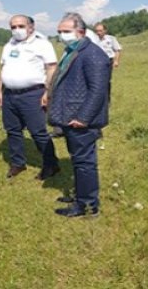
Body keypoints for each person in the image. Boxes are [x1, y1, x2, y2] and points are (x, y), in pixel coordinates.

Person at [47, 12, 111, 217]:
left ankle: (88, 206)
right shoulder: (73, 51)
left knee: (85, 163)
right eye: (59, 31)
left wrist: (83, 117)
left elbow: (98, 90)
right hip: (71, 117)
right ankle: (80, 195)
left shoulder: (93, 54)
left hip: (81, 120)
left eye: (66, 31)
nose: (61, 35)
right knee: (78, 160)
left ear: (81, 32)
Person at [0, 15, 60, 180]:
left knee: (38, 132)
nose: (17, 30)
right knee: (12, 130)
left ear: (31, 27)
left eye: (20, 26)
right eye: (13, 27)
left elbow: (52, 68)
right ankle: (18, 163)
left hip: (32, 94)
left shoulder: (42, 44)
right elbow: (2, 69)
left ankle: (51, 165)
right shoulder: (9, 45)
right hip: (10, 94)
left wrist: (47, 92)